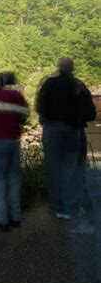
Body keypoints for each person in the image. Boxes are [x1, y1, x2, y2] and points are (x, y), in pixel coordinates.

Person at [36, 57, 96, 220]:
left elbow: (39, 105)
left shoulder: (48, 84)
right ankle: (72, 207)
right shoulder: (78, 85)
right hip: (72, 130)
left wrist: (46, 119)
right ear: (73, 68)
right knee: (72, 168)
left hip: (52, 130)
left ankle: (57, 207)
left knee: (53, 167)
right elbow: (91, 112)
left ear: (58, 68)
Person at [0, 72, 29, 231]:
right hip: (14, 141)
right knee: (14, 180)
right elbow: (25, 114)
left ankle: (2, 219)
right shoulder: (18, 95)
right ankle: (16, 217)